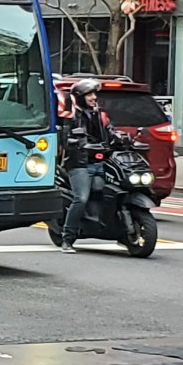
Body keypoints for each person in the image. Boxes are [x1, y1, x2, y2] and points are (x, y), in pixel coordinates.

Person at [58, 78, 122, 253]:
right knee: (82, 198)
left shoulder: (99, 115)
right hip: (79, 164)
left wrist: (121, 138)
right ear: (79, 97)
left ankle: (119, 231)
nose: (94, 97)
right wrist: (75, 141)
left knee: (114, 191)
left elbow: (110, 132)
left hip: (99, 162)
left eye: (95, 94)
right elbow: (65, 138)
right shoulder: (71, 116)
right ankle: (67, 238)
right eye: (89, 94)